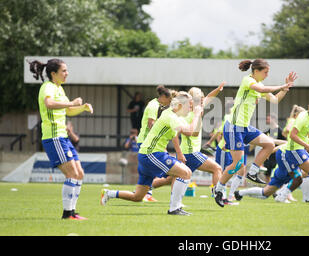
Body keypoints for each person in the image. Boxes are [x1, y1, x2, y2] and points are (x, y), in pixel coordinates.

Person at [101, 92, 204, 215]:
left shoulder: (175, 117)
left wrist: (197, 117)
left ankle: (109, 193)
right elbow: (189, 131)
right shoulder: (170, 116)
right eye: (190, 106)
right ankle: (174, 208)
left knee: (137, 197)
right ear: (181, 105)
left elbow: (192, 133)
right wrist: (197, 115)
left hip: (148, 155)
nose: (191, 109)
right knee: (185, 172)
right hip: (151, 154)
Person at [214, 59, 297, 207]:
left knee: (269, 144)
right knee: (237, 163)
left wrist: (285, 88)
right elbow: (261, 90)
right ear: (256, 71)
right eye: (265, 72)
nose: (266, 75)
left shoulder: (261, 85)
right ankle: (219, 189)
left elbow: (275, 100)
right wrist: (281, 85)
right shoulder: (248, 80)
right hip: (234, 127)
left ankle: (253, 172)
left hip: (244, 127)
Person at [30, 58, 93, 220]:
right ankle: (67, 214)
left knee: (79, 173)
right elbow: (49, 103)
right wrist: (71, 102)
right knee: (72, 173)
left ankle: (72, 212)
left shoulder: (60, 88)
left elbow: (68, 111)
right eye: (63, 71)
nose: (67, 73)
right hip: (54, 137)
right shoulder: (48, 87)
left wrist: (82, 108)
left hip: (63, 137)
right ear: (53, 74)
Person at [137, 85, 175, 202]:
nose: (170, 103)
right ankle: (146, 193)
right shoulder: (154, 106)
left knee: (148, 172)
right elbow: (151, 124)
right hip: (147, 142)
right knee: (165, 171)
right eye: (169, 100)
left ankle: (146, 193)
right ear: (163, 96)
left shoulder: (156, 104)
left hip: (148, 142)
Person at [263, 113, 286, 183]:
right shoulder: (267, 131)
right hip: (268, 155)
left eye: (268, 118)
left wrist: (274, 140)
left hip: (277, 155)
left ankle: (276, 188)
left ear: (274, 119)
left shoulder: (280, 131)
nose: (267, 120)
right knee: (267, 174)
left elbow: (286, 142)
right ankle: (267, 189)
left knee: (276, 173)